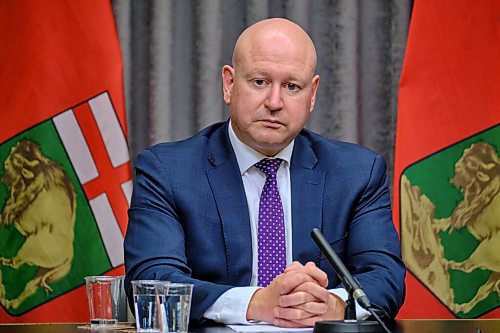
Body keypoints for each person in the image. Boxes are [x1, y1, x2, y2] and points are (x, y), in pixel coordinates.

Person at [124, 18, 405, 328]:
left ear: (312, 95)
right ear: (229, 84)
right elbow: (152, 280)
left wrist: (333, 305)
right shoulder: (168, 170)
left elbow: (385, 277)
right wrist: (259, 303)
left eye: (291, 87)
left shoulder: (357, 173)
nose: (274, 102)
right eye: (259, 82)